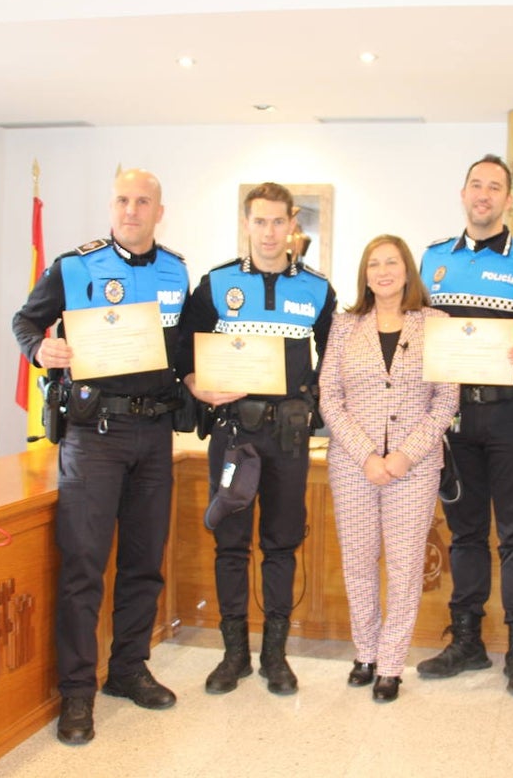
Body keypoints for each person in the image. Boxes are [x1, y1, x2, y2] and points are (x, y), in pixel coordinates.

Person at [12, 168, 190, 745]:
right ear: (110, 207)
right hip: (95, 436)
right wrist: (43, 348)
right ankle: (77, 694)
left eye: (143, 201)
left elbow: (182, 349)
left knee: (143, 564)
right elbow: (24, 322)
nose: (131, 210)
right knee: (85, 567)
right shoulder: (75, 266)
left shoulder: (176, 270)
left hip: (155, 434)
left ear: (159, 211)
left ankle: (129, 670)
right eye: (122, 200)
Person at [185, 181, 336, 697]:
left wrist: (311, 403)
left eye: (279, 222)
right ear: (246, 223)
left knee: (281, 544)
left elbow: (333, 362)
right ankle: (233, 654)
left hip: (288, 441)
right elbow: (187, 351)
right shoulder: (216, 284)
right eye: (260, 221)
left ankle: (275, 655)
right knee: (230, 544)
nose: (269, 233)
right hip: (232, 434)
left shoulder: (318, 289)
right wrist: (194, 384)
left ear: (292, 224)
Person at [416, 154, 513, 696]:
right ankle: (467, 642)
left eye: (495, 187)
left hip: (510, 416)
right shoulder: (431, 261)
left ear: (508, 200)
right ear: (463, 192)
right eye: (476, 184)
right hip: (450, 418)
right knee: (465, 532)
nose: (484, 195)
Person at [319, 235, 459, 703]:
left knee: (403, 566)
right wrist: (366, 456)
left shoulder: (435, 323)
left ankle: (392, 664)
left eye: (392, 262)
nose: (383, 271)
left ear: (407, 270)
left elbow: (445, 401)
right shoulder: (343, 326)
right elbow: (330, 400)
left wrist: (401, 457)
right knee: (358, 562)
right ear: (364, 274)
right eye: (373, 263)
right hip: (353, 465)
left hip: (413, 467)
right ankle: (365, 653)